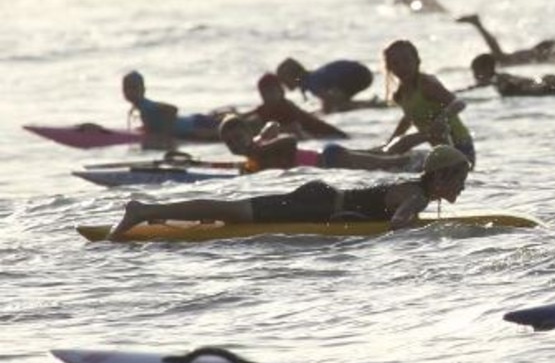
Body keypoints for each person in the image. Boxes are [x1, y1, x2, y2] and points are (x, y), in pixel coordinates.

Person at [105, 145, 472, 240]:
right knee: (231, 210)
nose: (463, 186)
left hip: (320, 200)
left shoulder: (420, 192)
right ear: (441, 177)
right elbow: (397, 225)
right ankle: (144, 210)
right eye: (459, 179)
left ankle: (162, 214)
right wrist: (433, 232)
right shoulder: (418, 196)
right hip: (315, 205)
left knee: (229, 211)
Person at [219, 115, 427, 173]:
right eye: (229, 143)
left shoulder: (258, 149)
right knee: (384, 156)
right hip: (329, 160)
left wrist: (261, 146)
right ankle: (419, 150)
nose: (234, 145)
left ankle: (424, 158)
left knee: (386, 162)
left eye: (238, 138)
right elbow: (272, 126)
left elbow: (290, 141)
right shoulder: (256, 146)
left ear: (248, 133)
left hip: (329, 158)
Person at [382, 39, 476, 165]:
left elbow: (459, 103)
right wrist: (390, 142)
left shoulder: (427, 84)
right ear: (389, 67)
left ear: (417, 61)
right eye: (395, 63)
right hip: (440, 150)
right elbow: (409, 118)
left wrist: (443, 118)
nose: (402, 66)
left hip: (461, 147)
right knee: (395, 151)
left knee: (402, 151)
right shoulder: (400, 94)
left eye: (406, 60)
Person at [455, 14, 555, 67]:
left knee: (502, 59)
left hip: (551, 48)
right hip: (544, 52)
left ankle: (477, 24)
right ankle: (477, 23)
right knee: (502, 59)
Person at [121, 71, 225, 149]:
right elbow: (154, 121)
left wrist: (165, 132)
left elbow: (173, 109)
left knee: (224, 131)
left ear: (143, 89)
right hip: (191, 123)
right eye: (126, 88)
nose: (129, 92)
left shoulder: (146, 106)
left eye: (133, 88)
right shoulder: (140, 106)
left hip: (195, 125)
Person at [245, 73, 348, 139]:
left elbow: (295, 129)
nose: (267, 96)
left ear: (281, 92)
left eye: (271, 92)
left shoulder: (286, 108)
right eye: (264, 93)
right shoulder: (266, 108)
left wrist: (264, 131)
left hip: (329, 135)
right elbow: (252, 113)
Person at [275, 58, 375, 113]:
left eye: (284, 80)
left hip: (358, 74)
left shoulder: (311, 82)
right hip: (360, 73)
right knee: (339, 103)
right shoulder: (311, 78)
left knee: (339, 105)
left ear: (293, 77)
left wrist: (321, 114)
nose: (283, 85)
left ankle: (372, 105)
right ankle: (370, 104)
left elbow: (327, 100)